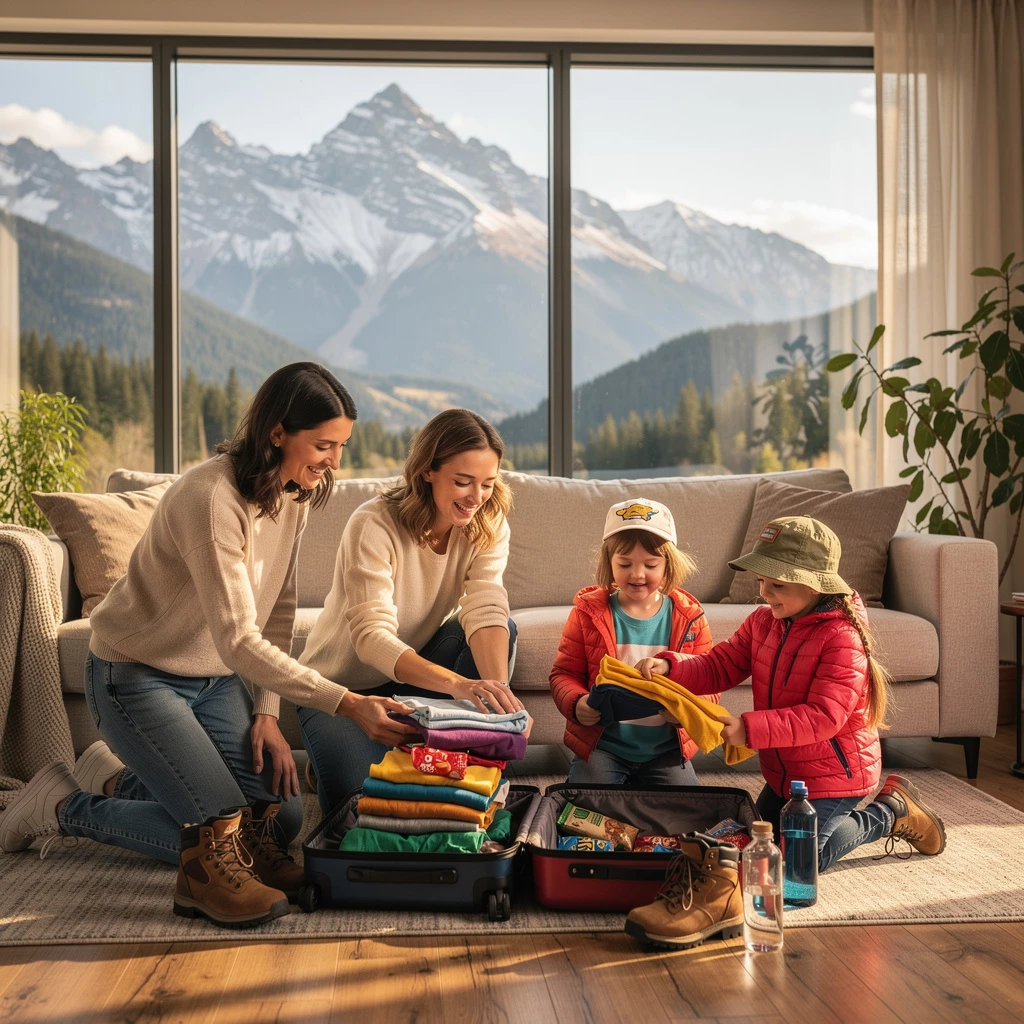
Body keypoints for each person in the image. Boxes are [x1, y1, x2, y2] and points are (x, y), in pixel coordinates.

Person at [0, 362, 413, 929]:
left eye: (340, 446)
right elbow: (239, 637)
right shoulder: (211, 498)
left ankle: (121, 777)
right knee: (220, 831)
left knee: (282, 816)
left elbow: (275, 613)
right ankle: (62, 806)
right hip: (136, 677)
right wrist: (347, 702)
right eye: (323, 444)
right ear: (277, 433)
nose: (334, 461)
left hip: (215, 680)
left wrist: (267, 713)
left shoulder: (291, 493)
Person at [636, 514, 946, 869]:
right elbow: (719, 665)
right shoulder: (762, 622)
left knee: (795, 863)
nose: (764, 593)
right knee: (753, 847)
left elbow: (824, 717)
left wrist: (747, 729)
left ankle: (890, 811)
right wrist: (672, 666)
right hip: (790, 775)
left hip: (836, 778)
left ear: (814, 585)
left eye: (777, 585)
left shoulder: (842, 639)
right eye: (761, 581)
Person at [297, 408, 523, 814]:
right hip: (342, 689)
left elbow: (486, 605)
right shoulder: (374, 524)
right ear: (427, 472)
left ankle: (463, 755)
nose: (476, 497)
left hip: (413, 678)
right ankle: (337, 758)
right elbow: (371, 639)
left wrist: (499, 703)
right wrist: (458, 685)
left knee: (501, 624)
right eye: (463, 482)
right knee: (361, 808)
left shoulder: (487, 520)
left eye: (487, 483)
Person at [549, 497, 713, 785]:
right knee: (587, 808)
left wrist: (686, 713)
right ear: (609, 563)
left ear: (668, 565)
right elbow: (564, 674)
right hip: (604, 747)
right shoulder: (587, 614)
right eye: (625, 564)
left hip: (666, 750)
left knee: (685, 816)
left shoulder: (690, 617)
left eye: (650, 564)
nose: (637, 574)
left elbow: (709, 680)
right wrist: (576, 704)